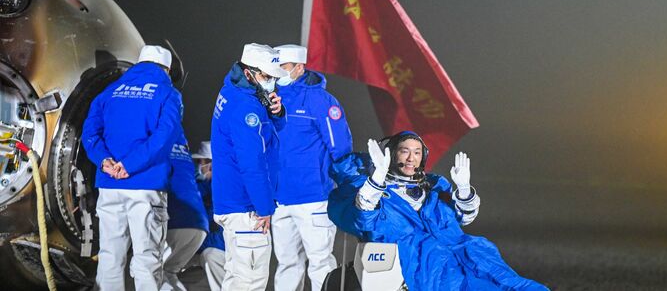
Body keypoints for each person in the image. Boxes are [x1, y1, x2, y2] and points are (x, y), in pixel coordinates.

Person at [328, 131, 550, 291]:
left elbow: (464, 217)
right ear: (392, 154)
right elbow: (361, 220)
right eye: (404, 151)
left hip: (463, 248)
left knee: (509, 282)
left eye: (416, 153)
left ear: (423, 157)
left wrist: (463, 190)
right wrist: (376, 181)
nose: (410, 158)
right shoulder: (369, 189)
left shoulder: (433, 186)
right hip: (419, 256)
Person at [82, 45, 182, 290]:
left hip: (109, 184)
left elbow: (90, 133)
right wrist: (130, 165)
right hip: (145, 185)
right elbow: (164, 137)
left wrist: (104, 161)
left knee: (109, 257)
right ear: (166, 69)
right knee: (147, 258)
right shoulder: (168, 93)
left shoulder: (108, 92)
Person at [271, 44, 353, 291]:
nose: (277, 73)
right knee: (286, 264)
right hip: (279, 200)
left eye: (282, 67)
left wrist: (348, 185)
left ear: (299, 67)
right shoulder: (269, 98)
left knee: (320, 263)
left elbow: (341, 147)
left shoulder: (321, 100)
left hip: (313, 198)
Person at [210, 43, 286, 291]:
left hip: (234, 202)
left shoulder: (234, 92)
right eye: (266, 76)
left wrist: (277, 113)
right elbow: (252, 163)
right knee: (249, 282)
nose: (271, 82)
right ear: (248, 73)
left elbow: (267, 135)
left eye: (274, 77)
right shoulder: (246, 108)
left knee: (236, 279)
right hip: (247, 208)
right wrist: (264, 207)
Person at [161, 133, 209, 291]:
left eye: (203, 161)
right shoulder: (184, 161)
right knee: (168, 273)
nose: (199, 165)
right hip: (200, 228)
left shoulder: (158, 150)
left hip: (177, 223)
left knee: (147, 271)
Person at [191, 141, 225, 291]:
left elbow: (224, 239)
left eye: (201, 161)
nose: (199, 165)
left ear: (212, 164)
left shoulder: (226, 191)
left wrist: (193, 244)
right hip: (204, 248)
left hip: (227, 253)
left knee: (211, 255)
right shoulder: (205, 187)